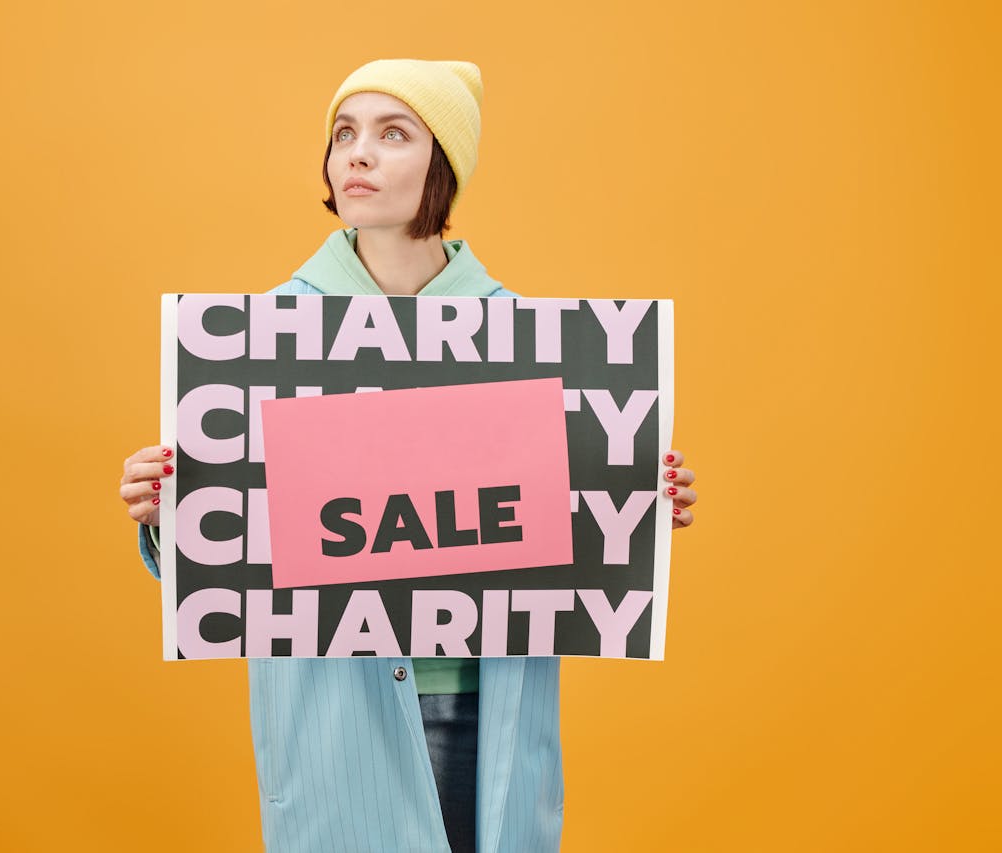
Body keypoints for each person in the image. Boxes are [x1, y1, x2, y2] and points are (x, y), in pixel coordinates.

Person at [119, 59, 699, 853]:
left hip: (478, 703)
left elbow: (564, 530)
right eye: (344, 133)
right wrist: (168, 514)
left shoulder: (527, 337)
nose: (358, 154)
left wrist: (638, 498)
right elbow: (231, 561)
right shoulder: (260, 337)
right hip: (334, 713)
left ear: (442, 166)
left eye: (394, 134)